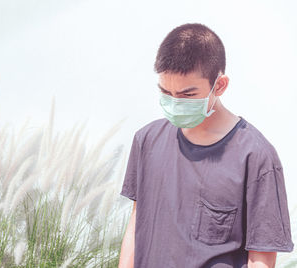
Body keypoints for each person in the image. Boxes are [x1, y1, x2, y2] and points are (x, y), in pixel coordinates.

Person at [118, 23, 294, 268]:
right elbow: (137, 222)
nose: (175, 103)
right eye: (166, 92)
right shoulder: (147, 140)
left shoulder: (256, 156)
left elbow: (261, 259)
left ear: (219, 85)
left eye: (187, 95)